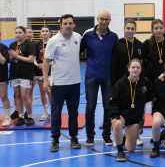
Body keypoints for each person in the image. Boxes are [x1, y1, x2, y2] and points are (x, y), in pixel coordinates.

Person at [43, 14, 82, 152]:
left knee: (73, 113)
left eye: (70, 23)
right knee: (56, 113)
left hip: (75, 83)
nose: (67, 26)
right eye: (65, 23)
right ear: (60, 24)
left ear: (74, 24)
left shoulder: (78, 37)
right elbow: (46, 61)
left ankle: (74, 138)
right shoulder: (53, 41)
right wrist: (46, 80)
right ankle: (55, 140)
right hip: (58, 84)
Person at [81, 9, 118, 146]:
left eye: (106, 19)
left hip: (108, 77)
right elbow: (77, 52)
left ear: (110, 21)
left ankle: (106, 134)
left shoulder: (113, 37)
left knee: (108, 107)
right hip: (91, 76)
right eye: (101, 19)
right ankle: (90, 135)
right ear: (97, 19)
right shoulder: (88, 35)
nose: (103, 22)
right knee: (90, 107)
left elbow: (116, 56)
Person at [142, 19, 165, 145]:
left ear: (164, 29)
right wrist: (148, 79)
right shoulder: (147, 44)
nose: (158, 30)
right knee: (155, 105)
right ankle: (157, 134)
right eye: (156, 28)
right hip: (154, 80)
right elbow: (144, 63)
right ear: (152, 30)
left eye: (160, 28)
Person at [109, 59, 152, 162]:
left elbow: (154, 94)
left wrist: (160, 80)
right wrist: (115, 115)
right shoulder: (120, 83)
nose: (135, 69)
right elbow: (112, 102)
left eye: (138, 67)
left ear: (141, 70)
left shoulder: (146, 83)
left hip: (135, 118)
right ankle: (120, 151)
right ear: (128, 69)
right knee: (117, 124)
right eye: (133, 67)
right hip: (122, 115)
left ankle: (123, 138)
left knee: (130, 149)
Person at [8, 26, 36, 126]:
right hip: (14, 74)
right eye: (16, 33)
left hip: (25, 74)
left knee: (25, 96)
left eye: (19, 32)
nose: (17, 34)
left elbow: (31, 60)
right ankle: (20, 116)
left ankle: (29, 116)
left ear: (24, 33)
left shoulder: (29, 44)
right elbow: (10, 59)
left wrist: (17, 56)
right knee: (17, 96)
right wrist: (11, 57)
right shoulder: (12, 44)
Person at [112, 19, 143, 85]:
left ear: (135, 30)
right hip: (120, 79)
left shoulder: (139, 44)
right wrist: (113, 81)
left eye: (132, 29)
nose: (130, 31)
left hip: (136, 79)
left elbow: (142, 63)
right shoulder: (117, 44)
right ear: (124, 29)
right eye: (128, 28)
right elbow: (114, 63)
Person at [33, 26, 51, 121]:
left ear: (50, 33)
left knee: (51, 93)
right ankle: (46, 112)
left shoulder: (53, 43)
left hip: (51, 73)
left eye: (46, 31)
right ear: (40, 33)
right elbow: (34, 58)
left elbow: (57, 58)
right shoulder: (37, 44)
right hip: (39, 72)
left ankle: (54, 111)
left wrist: (46, 65)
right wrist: (37, 65)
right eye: (42, 31)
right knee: (42, 92)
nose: (44, 33)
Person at [0, 32, 11, 126]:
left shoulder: (4, 47)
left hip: (1, 76)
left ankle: (7, 117)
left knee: (3, 96)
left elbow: (3, 61)